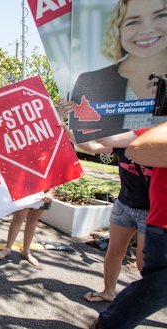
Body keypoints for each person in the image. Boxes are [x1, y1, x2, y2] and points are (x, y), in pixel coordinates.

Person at [59, 104, 151, 303]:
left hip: (151, 211)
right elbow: (91, 147)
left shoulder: (154, 141)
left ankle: (147, 302)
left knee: (145, 265)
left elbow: (105, 137)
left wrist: (88, 114)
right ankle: (108, 292)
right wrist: (67, 129)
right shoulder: (124, 141)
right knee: (114, 252)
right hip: (125, 204)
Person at [91, 121, 167, 329]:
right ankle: (108, 305)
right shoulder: (150, 135)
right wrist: (76, 124)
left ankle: (107, 322)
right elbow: (99, 144)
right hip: (132, 207)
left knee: (150, 277)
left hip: (149, 213)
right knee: (151, 279)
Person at [69, 0, 167, 141]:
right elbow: (92, 140)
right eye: (133, 22)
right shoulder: (90, 82)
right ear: (118, 30)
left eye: (160, 16)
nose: (147, 29)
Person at [0, 189, 55, 267]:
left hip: (44, 190)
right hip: (25, 187)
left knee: (33, 220)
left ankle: (26, 251)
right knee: (18, 218)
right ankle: (7, 248)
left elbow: (57, 176)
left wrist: (51, 192)